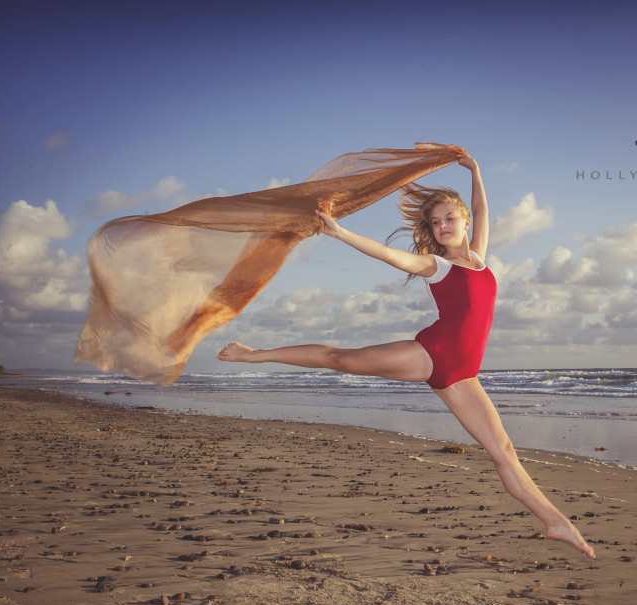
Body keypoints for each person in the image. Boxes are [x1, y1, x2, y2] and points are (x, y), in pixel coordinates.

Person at [218, 153, 595, 558]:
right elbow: (388, 255)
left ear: (465, 221)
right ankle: (255, 355)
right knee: (341, 359)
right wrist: (340, 233)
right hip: (431, 354)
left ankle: (556, 522)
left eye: (450, 219)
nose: (442, 227)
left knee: (502, 452)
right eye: (435, 222)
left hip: (463, 375)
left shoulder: (480, 256)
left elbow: (484, 208)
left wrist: (476, 171)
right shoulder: (438, 265)